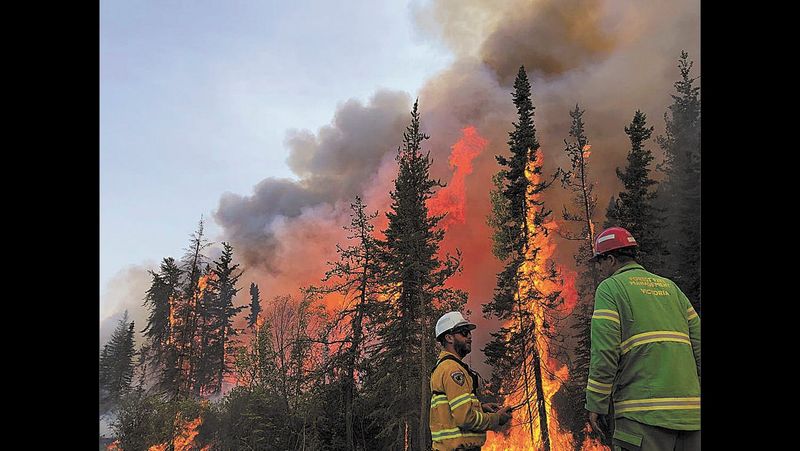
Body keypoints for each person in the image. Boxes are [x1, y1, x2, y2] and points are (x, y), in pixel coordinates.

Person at [585, 227, 701, 450]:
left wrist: (596, 405)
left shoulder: (610, 288)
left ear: (610, 259)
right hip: (691, 418)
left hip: (643, 419)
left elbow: (604, 352)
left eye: (599, 261)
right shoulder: (672, 288)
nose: (598, 268)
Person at [429, 311, 512, 451]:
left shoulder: (446, 366)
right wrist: (496, 419)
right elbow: (465, 418)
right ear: (449, 337)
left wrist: (481, 407)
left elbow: (453, 408)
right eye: (464, 332)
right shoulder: (452, 370)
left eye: (469, 333)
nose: (469, 337)